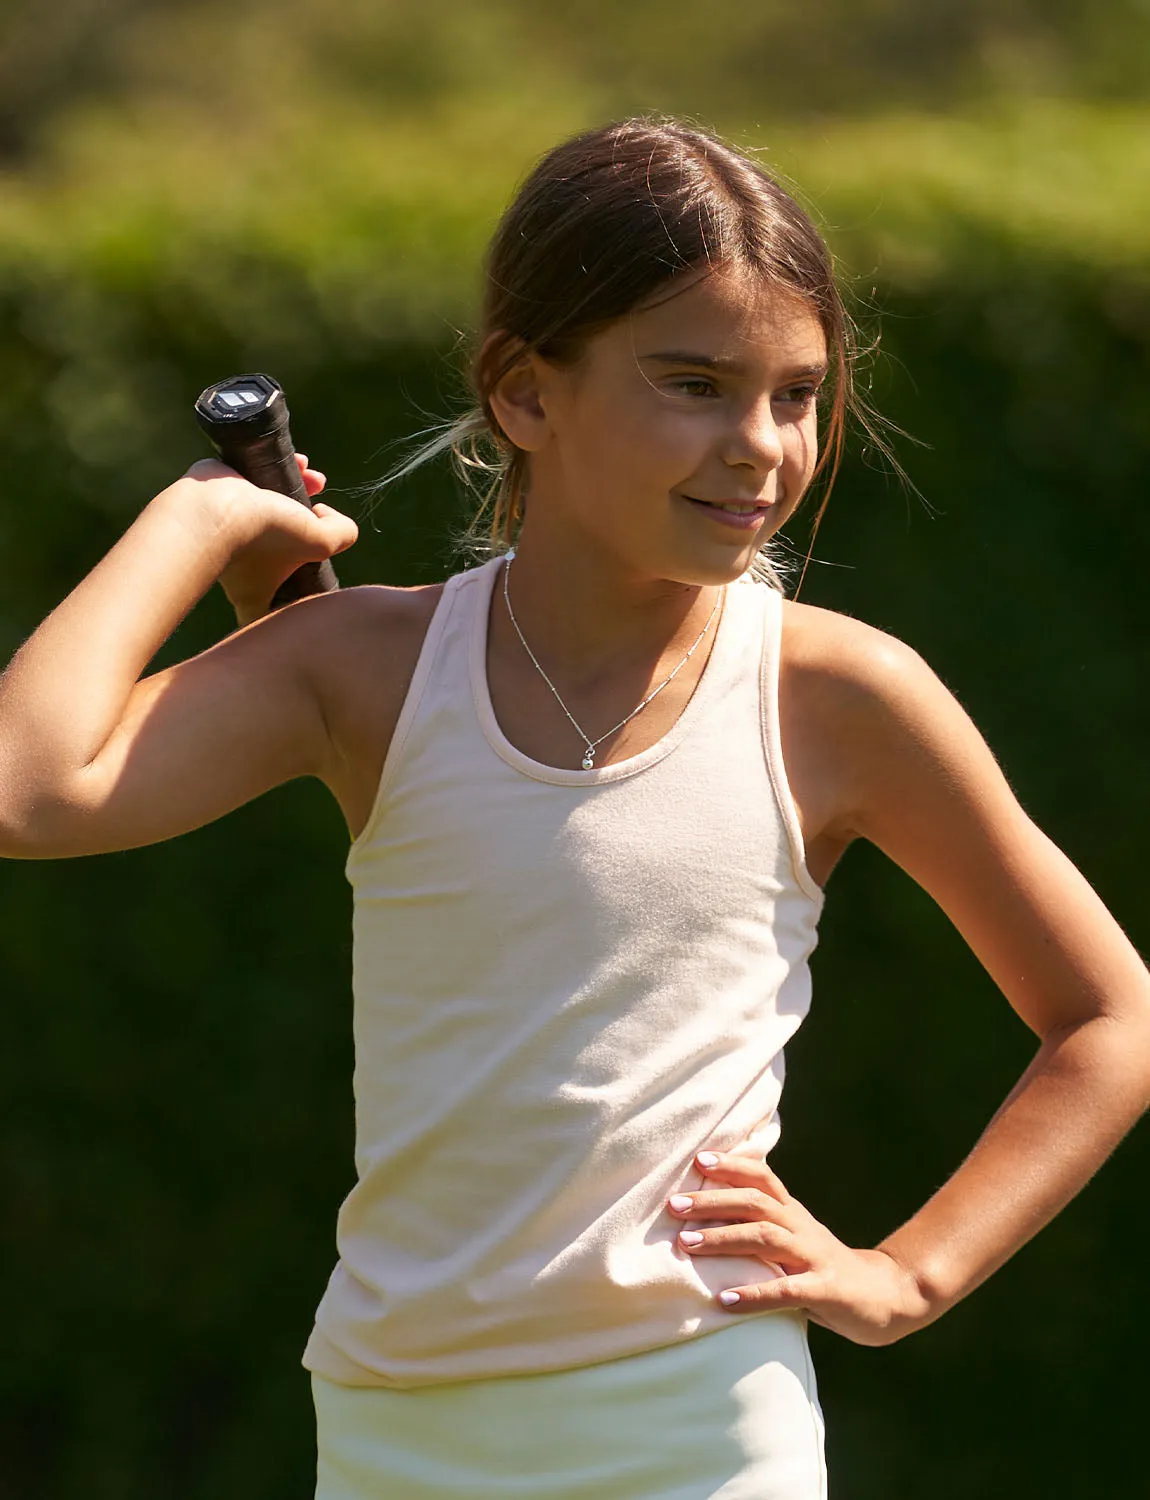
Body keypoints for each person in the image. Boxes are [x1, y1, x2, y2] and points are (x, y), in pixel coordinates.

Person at [1, 116, 1147, 1500]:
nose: (760, 447)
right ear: (522, 392)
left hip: (699, 1425)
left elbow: (1109, 1017)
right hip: (392, 1436)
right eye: (694, 383)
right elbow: (29, 786)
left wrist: (907, 1273)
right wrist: (195, 522)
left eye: (795, 394)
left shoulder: (835, 692)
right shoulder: (362, 666)